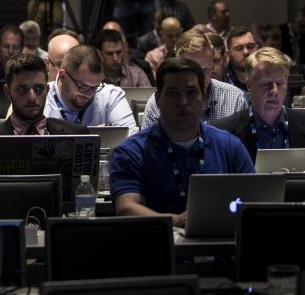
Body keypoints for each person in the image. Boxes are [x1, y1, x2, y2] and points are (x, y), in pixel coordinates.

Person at [109, 57, 255, 226]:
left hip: (220, 246)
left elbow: (254, 201)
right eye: (173, 93)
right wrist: (175, 220)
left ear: (204, 96)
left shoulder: (229, 146)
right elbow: (126, 208)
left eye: (191, 92)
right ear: (157, 99)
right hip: (160, 246)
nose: (183, 102)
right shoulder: (130, 152)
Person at [0, 54, 88, 174]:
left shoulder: (77, 136)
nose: (32, 97)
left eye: (39, 88)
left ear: (47, 90)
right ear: (7, 92)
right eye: (22, 89)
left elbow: (86, 188)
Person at [213, 48, 305, 162]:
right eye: (266, 84)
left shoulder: (302, 123)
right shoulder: (223, 132)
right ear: (249, 85)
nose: (274, 91)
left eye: (280, 83)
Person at [140, 30, 248, 128]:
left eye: (206, 69)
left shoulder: (235, 99)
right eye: (192, 71)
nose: (200, 78)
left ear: (212, 65)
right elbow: (148, 148)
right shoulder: (158, 103)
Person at [43, 44, 136, 129]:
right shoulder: (42, 99)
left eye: (95, 87)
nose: (89, 95)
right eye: (83, 87)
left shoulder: (111, 96)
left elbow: (131, 139)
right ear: (63, 76)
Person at [222, 26, 258, 94]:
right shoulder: (221, 80)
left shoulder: (268, 74)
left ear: (257, 49)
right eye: (239, 48)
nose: (246, 52)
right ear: (228, 53)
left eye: (250, 46)